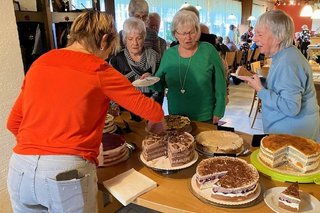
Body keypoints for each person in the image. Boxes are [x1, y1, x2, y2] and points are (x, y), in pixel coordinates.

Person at [6, 11, 166, 213]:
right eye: (110, 48)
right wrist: (158, 120)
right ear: (105, 39)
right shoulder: (98, 69)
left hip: (20, 168)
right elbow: (150, 109)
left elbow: (13, 123)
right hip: (65, 171)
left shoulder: (41, 62)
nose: (108, 54)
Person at [238, 10, 319, 140]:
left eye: (260, 34)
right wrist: (261, 82)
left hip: (293, 138)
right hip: (291, 133)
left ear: (278, 37)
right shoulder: (284, 55)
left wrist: (261, 90)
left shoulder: (287, 62)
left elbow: (291, 107)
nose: (254, 38)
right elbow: (281, 87)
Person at [153, 10, 226, 124]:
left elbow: (220, 83)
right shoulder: (169, 55)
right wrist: (148, 80)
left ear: (197, 31)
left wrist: (219, 109)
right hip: (176, 115)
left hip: (204, 115)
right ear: (175, 34)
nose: (188, 38)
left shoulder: (209, 51)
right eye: (183, 33)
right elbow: (158, 85)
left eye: (191, 32)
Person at [109, 17, 162, 121]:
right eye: (130, 38)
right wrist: (115, 108)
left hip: (149, 108)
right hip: (125, 111)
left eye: (139, 38)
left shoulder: (154, 57)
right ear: (125, 39)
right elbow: (111, 88)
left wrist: (152, 81)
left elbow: (161, 84)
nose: (135, 43)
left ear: (144, 37)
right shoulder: (116, 60)